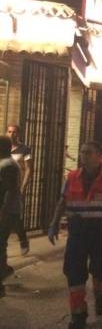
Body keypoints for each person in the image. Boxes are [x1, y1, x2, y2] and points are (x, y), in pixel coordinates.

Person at [48, 141, 102, 329]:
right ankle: (78, 314)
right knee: (74, 273)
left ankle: (101, 297)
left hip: (101, 233)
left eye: (89, 152)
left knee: (101, 271)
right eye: (82, 152)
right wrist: (53, 224)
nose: (84, 156)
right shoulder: (73, 176)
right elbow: (63, 201)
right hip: (77, 234)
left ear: (100, 156)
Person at [0, 136, 20, 299]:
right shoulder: (6, 164)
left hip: (6, 212)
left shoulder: (8, 165)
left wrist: (3, 212)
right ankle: (4, 269)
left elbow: (8, 191)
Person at [6, 125, 30, 256]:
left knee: (14, 215)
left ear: (18, 134)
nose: (11, 134)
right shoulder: (3, 148)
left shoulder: (24, 149)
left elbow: (28, 169)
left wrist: (23, 186)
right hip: (2, 187)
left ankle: (23, 239)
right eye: (9, 132)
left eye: (14, 132)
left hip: (15, 188)